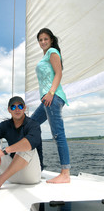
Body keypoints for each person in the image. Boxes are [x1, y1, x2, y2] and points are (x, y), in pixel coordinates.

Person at [0, 96, 43, 197]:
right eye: (13, 107)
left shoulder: (33, 125)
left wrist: (3, 152)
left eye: (20, 106)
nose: (17, 109)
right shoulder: (5, 125)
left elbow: (30, 142)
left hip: (31, 177)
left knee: (27, 145)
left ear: (24, 108)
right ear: (9, 110)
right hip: (11, 175)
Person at [31, 28, 71, 184]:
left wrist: (51, 92)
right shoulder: (45, 56)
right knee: (32, 125)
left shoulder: (52, 51)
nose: (43, 42)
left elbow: (59, 73)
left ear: (51, 40)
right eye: (40, 40)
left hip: (52, 97)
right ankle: (37, 166)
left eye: (45, 39)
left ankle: (65, 173)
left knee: (58, 134)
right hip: (47, 99)